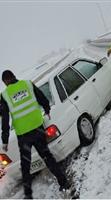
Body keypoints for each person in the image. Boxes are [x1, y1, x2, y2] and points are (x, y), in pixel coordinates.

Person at [1, 70, 69, 199]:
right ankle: (63, 182)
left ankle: (28, 195)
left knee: (25, 166)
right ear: (14, 76)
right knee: (47, 156)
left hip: (24, 135)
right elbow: (42, 97)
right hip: (37, 128)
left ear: (5, 81)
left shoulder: (5, 95)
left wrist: (4, 140)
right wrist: (47, 109)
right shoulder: (27, 84)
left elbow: (4, 119)